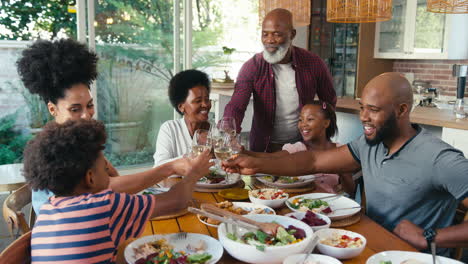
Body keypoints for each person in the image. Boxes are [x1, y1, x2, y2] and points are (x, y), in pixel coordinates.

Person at [224, 72, 468, 255]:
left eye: (373, 110)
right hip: (369, 246)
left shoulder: (440, 159)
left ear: (402, 110)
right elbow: (313, 160)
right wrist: (256, 163)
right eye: (362, 108)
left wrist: (430, 237)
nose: (363, 117)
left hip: (411, 258)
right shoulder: (369, 143)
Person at [16, 38, 199, 214]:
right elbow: (107, 189)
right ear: (52, 109)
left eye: (90, 105)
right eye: (75, 109)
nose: (86, 115)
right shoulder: (53, 151)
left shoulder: (83, 142)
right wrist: (170, 167)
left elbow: (113, 182)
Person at [24, 119, 212, 263]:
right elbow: (177, 200)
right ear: (90, 178)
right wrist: (195, 173)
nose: (108, 169)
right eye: (104, 165)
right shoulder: (103, 206)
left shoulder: (47, 210)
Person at [223, 8, 336, 152]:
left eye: (277, 35)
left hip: (302, 147)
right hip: (263, 149)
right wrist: (228, 132)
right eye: (265, 34)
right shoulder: (252, 66)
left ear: (292, 34)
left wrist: (322, 137)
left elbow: (328, 103)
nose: (269, 40)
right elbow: (237, 106)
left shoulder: (313, 63)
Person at [245, 102, 355, 194]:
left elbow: (350, 190)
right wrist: (245, 153)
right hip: (299, 204)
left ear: (326, 123)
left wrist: (343, 172)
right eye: (300, 120)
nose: (303, 124)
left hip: (331, 205)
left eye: (310, 119)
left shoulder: (339, 150)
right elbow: (272, 157)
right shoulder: (297, 148)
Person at [153, 69, 212, 166]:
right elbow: (159, 166)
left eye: (207, 99)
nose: (205, 105)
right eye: (198, 101)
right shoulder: (170, 129)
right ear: (181, 106)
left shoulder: (216, 132)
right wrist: (191, 156)